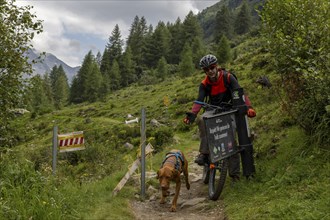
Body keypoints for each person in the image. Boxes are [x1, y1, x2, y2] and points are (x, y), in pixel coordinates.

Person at [183, 54, 256, 181]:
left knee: (231, 139)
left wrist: (248, 107)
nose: (210, 71)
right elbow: (199, 101)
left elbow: (240, 93)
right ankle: (204, 154)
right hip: (213, 110)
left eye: (211, 67)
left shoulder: (228, 77)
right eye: (206, 69)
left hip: (230, 110)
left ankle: (234, 175)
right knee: (202, 120)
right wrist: (193, 114)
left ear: (216, 66)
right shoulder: (204, 84)